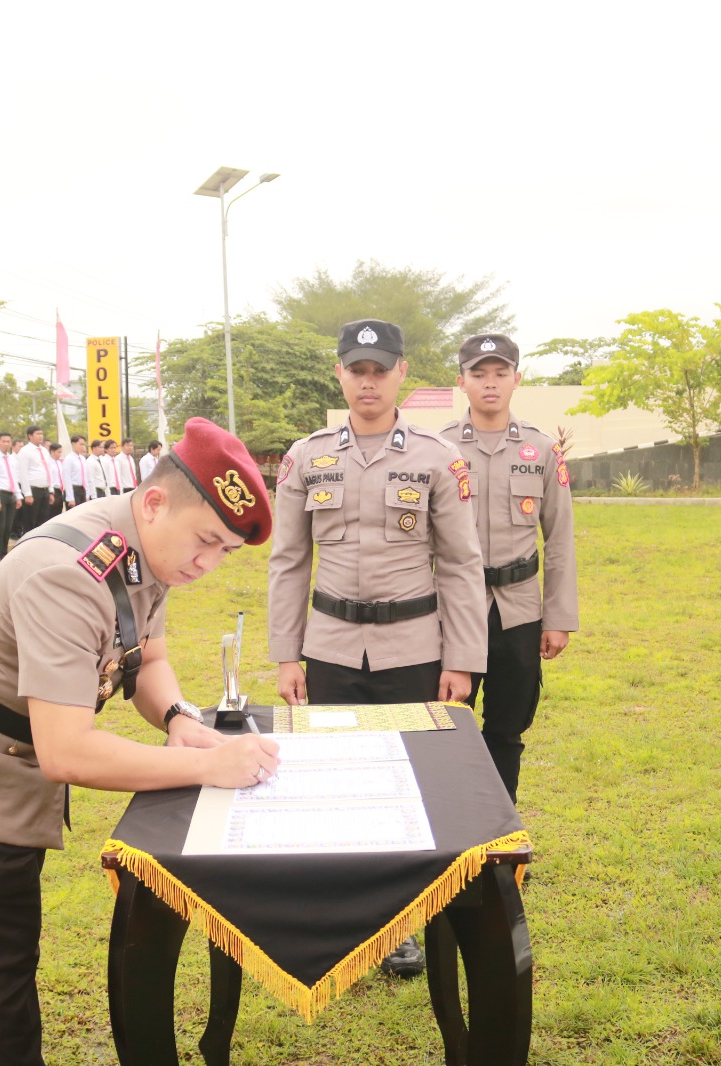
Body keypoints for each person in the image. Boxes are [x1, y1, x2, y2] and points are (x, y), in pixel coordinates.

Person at [0, 416, 278, 1066]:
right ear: (156, 502)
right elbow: (67, 750)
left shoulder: (147, 542)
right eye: (207, 542)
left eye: (225, 552)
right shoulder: (71, 574)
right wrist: (211, 766)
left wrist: (180, 720)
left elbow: (148, 658)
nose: (208, 564)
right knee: (1, 963)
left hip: (21, 734)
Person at [267, 318, 487, 978]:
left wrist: (462, 659)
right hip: (330, 648)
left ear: (401, 375)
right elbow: (287, 561)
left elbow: (460, 562)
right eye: (356, 369)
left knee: (408, 788)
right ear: (339, 374)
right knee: (335, 784)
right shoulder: (306, 457)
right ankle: (343, 918)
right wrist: (287, 654)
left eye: (379, 369)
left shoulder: (435, 458)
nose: (368, 381)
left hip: (413, 648)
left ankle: (401, 925)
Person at [438, 334, 578, 801]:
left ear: (518, 379)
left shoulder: (541, 450)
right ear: (461, 382)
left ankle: (502, 852)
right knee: (444, 727)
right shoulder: (439, 450)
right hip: (453, 610)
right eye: (479, 374)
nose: (490, 383)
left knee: (505, 733)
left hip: (517, 611)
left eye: (500, 373)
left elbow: (558, 539)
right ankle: (453, 844)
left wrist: (557, 619)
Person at [0, 431, 21, 564]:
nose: (6, 444)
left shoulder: (11, 459)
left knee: (8, 527)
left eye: (8, 441)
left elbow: (14, 478)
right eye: (3, 441)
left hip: (10, 494)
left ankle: (3, 553)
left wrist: (18, 496)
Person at [14, 425, 51, 537]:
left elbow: (48, 471)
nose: (41, 436)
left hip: (45, 489)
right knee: (30, 521)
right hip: (33, 490)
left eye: (41, 434)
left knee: (43, 520)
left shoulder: (44, 450)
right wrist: (27, 494)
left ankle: (40, 542)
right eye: (38, 434)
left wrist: (51, 490)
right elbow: (23, 474)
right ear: (30, 436)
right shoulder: (25, 451)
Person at [62, 434, 90, 508]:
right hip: (74, 490)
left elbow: (85, 477)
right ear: (73, 444)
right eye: (81, 444)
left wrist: (87, 494)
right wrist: (70, 498)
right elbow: (67, 479)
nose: (83, 446)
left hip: (82, 490)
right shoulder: (68, 459)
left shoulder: (82, 459)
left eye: (84, 444)